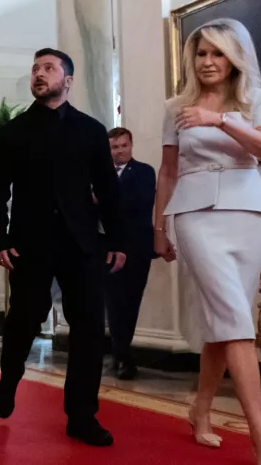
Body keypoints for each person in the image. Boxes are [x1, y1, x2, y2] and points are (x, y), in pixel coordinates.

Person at [154, 18, 261, 465]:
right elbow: (167, 171)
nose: (207, 61)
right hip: (194, 215)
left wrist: (219, 119)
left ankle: (201, 410)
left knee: (226, 323)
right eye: (201, 53)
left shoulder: (257, 99)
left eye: (217, 53)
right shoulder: (175, 107)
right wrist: (159, 228)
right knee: (234, 321)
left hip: (248, 212)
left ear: (234, 58)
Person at [0, 48, 126, 447]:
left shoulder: (90, 130)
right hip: (30, 243)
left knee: (87, 330)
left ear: (67, 80)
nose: (39, 74)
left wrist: (116, 240)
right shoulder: (14, 132)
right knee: (24, 320)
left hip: (82, 243)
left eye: (48, 68)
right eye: (35, 68)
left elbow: (108, 190)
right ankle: (10, 378)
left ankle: (82, 416)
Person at [105, 127, 156, 380]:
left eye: (123, 146)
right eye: (114, 147)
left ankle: (121, 354)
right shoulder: (101, 175)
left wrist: (104, 199)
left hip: (137, 248)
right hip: (108, 249)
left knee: (131, 302)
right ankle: (121, 356)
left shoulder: (145, 172)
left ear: (131, 145)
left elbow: (140, 202)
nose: (119, 151)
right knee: (114, 303)